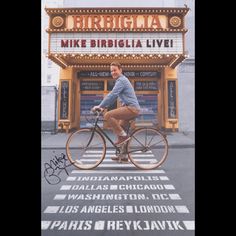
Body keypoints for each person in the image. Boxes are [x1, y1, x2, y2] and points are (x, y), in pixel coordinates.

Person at [92, 61, 140, 162]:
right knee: (121, 130)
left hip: (132, 108)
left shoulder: (121, 80)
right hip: (130, 108)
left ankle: (124, 137)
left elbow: (113, 95)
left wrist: (101, 106)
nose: (113, 72)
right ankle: (123, 156)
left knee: (108, 115)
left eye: (115, 70)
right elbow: (114, 98)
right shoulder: (121, 81)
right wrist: (104, 106)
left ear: (120, 70)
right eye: (111, 71)